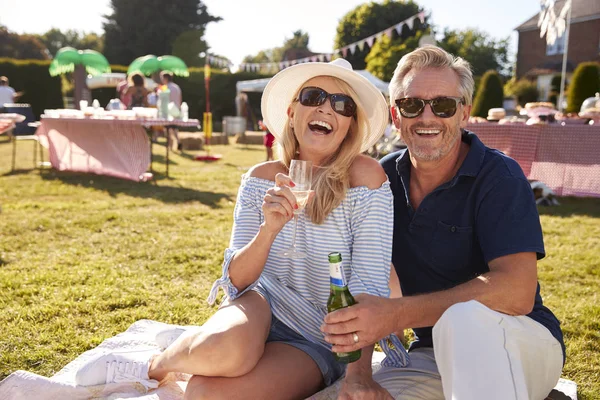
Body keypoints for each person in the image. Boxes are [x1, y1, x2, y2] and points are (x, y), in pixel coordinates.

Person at [73, 58, 410, 399]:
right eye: (313, 97)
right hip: (261, 302)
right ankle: (152, 366)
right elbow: (236, 280)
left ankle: (192, 346)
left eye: (342, 104)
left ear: (350, 125)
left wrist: (359, 374)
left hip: (319, 334)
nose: (326, 108)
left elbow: (370, 286)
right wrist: (269, 229)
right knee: (226, 348)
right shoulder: (260, 179)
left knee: (205, 395)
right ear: (292, 113)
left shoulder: (366, 181)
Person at [321, 46, 565, 400]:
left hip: (520, 340)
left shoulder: (499, 176)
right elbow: (365, 278)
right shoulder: (380, 179)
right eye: (412, 104)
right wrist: (359, 376)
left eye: (444, 105)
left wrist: (396, 315)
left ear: (464, 113)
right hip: (431, 352)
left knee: (462, 320)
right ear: (395, 115)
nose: (427, 117)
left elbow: (518, 290)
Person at [160, 71, 182, 150]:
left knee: (167, 128)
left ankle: (169, 146)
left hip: (168, 110)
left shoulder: (165, 87)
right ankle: (178, 142)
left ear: (165, 78)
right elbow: (180, 99)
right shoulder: (176, 87)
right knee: (174, 128)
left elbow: (162, 100)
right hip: (175, 109)